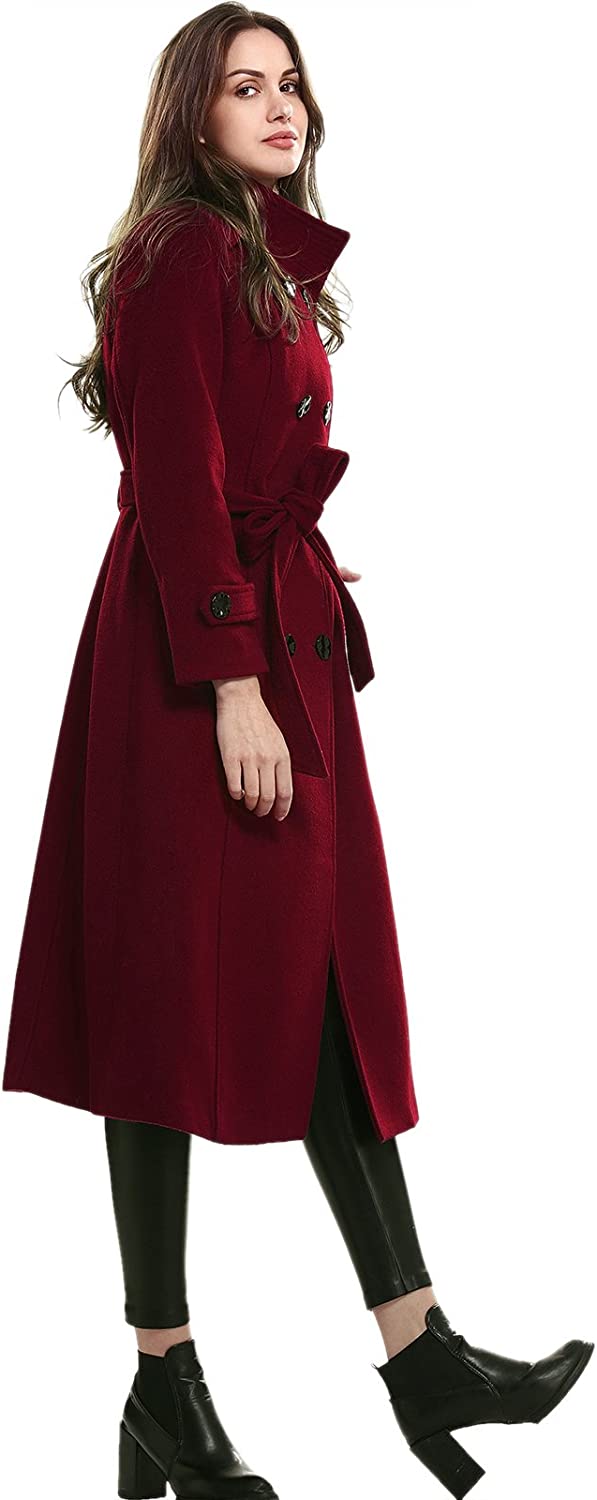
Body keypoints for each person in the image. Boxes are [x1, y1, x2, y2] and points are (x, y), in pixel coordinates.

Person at [2, 9, 593, 1499]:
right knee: (158, 1006)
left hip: (271, 642)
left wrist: (281, 617)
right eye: (244, 87)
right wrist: (230, 679)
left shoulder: (250, 253)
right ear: (189, 115)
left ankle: (418, 1344)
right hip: (191, 670)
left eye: (290, 85)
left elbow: (233, 469)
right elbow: (176, 476)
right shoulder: (183, 253)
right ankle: (167, 1380)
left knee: (321, 979)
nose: (280, 107)